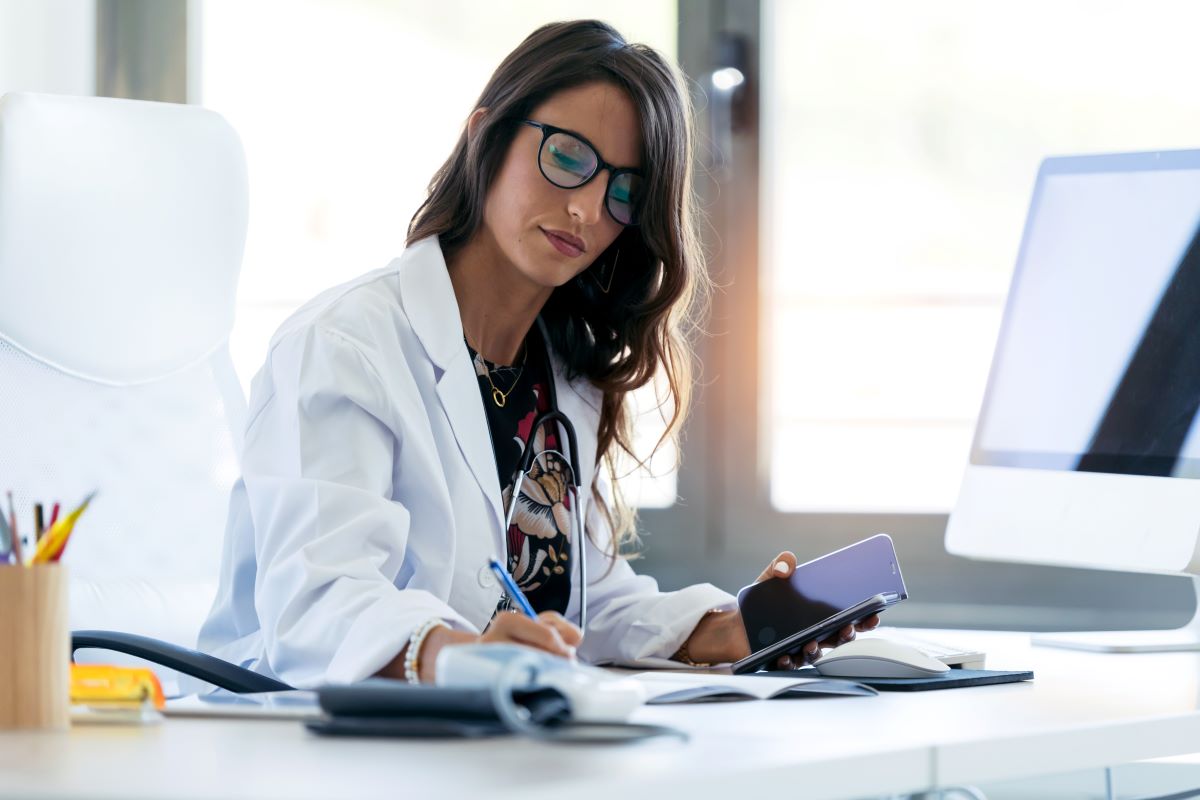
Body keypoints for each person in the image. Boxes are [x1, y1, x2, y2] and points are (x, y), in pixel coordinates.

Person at [197, 19, 877, 688]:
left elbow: (590, 607)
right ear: (485, 136)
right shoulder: (344, 347)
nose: (585, 208)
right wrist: (458, 655)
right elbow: (318, 605)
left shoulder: (565, 372)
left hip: (503, 736)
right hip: (311, 740)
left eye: (623, 190)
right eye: (568, 156)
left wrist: (734, 629)